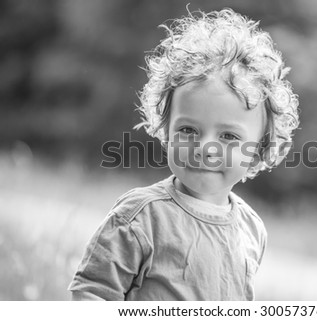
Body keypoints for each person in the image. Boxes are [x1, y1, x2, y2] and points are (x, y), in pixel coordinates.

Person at [69, 8, 299, 301]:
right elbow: (92, 293)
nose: (205, 148)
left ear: (258, 150)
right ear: (166, 131)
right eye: (188, 130)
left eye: (228, 136)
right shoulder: (141, 217)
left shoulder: (251, 230)